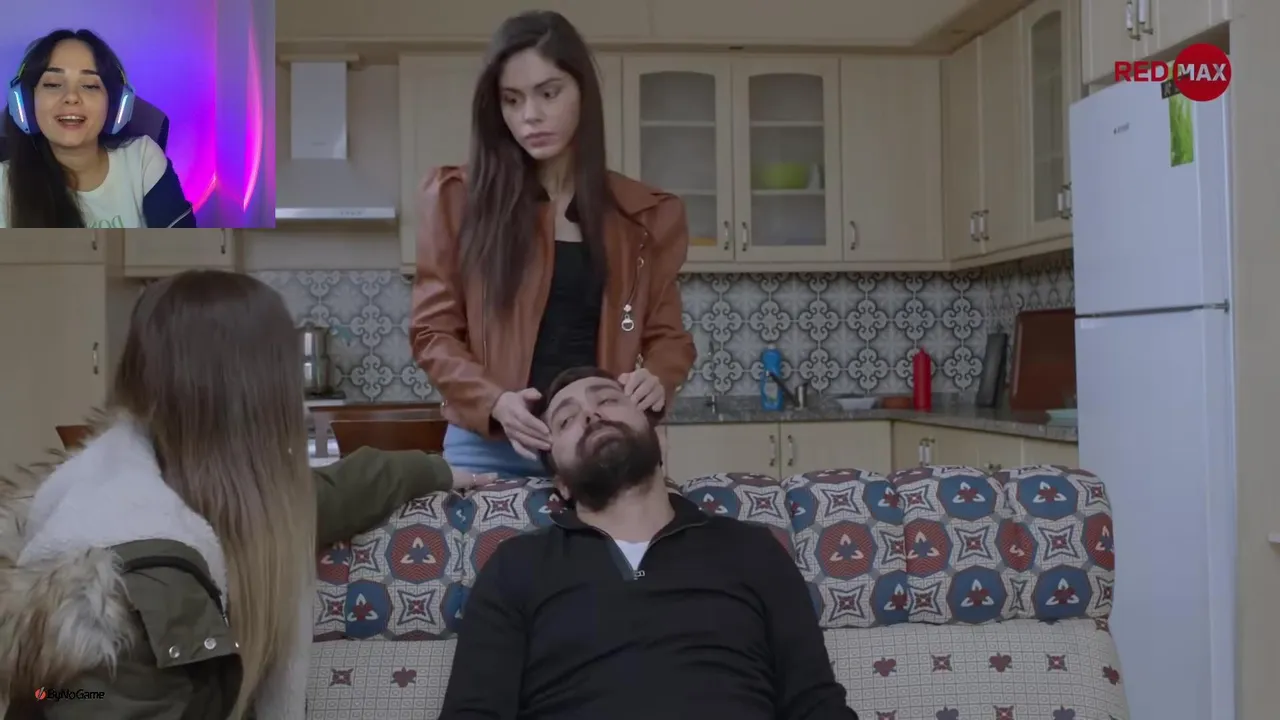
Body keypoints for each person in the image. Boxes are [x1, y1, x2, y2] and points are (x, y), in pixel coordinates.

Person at [0, 271, 492, 720]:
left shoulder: (164, 486)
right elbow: (70, 700)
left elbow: (322, 496)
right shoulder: (136, 582)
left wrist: (433, 470)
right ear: (262, 400)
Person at [439, 366, 859, 720]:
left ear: (660, 441)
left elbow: (816, 705)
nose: (591, 415)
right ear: (561, 483)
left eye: (608, 400)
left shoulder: (751, 549)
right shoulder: (516, 566)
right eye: (566, 421)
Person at [411, 10, 696, 478]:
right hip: (488, 447)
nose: (530, 116)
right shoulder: (457, 200)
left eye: (549, 93)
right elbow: (432, 332)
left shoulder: (642, 216)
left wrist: (658, 378)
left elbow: (668, 337)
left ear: (583, 93)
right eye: (512, 99)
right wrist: (493, 401)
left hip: (600, 446)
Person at [1, 29, 196, 228]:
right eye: (53, 84)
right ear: (26, 101)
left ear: (114, 105)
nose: (71, 97)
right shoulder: (3, 184)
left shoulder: (142, 159)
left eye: (90, 86)